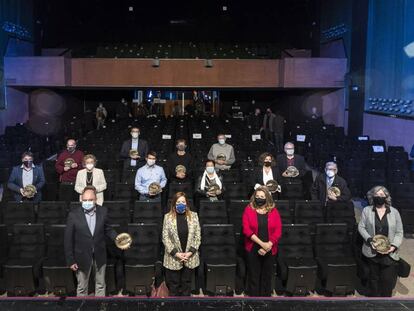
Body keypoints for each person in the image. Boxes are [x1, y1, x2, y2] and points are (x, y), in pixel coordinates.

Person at [64, 186, 118, 297]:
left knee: (101, 285)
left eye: (90, 200)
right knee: (82, 287)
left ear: (95, 200)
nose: (87, 202)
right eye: (85, 200)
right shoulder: (73, 215)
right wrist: (70, 260)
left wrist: (118, 239)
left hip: (100, 255)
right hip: (81, 257)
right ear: (81, 200)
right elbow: (68, 240)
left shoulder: (103, 211)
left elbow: (108, 229)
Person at [358, 186, 403, 297]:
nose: (379, 197)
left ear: (386, 197)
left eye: (382, 195)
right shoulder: (366, 210)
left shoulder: (394, 212)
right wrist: (369, 240)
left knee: (387, 281)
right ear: (372, 197)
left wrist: (393, 246)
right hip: (372, 251)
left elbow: (399, 232)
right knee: (373, 279)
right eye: (377, 195)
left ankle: (385, 301)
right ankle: (374, 301)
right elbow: (361, 227)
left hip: (389, 253)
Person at [242, 186, 282, 296]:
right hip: (253, 247)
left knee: (266, 276)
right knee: (254, 275)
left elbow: (278, 230)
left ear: (267, 198)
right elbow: (246, 230)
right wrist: (262, 244)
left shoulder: (273, 210)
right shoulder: (248, 209)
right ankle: (254, 301)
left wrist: (268, 244)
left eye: (262, 197)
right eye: (257, 196)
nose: (259, 198)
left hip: (270, 248)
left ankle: (265, 300)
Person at [162, 192, 201, 296]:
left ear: (187, 203)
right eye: (178, 202)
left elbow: (198, 236)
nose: (181, 204)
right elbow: (165, 237)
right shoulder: (168, 217)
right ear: (174, 204)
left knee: (187, 284)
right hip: (173, 257)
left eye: (183, 202)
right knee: (174, 285)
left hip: (190, 256)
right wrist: (176, 253)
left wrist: (190, 253)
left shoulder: (194, 216)